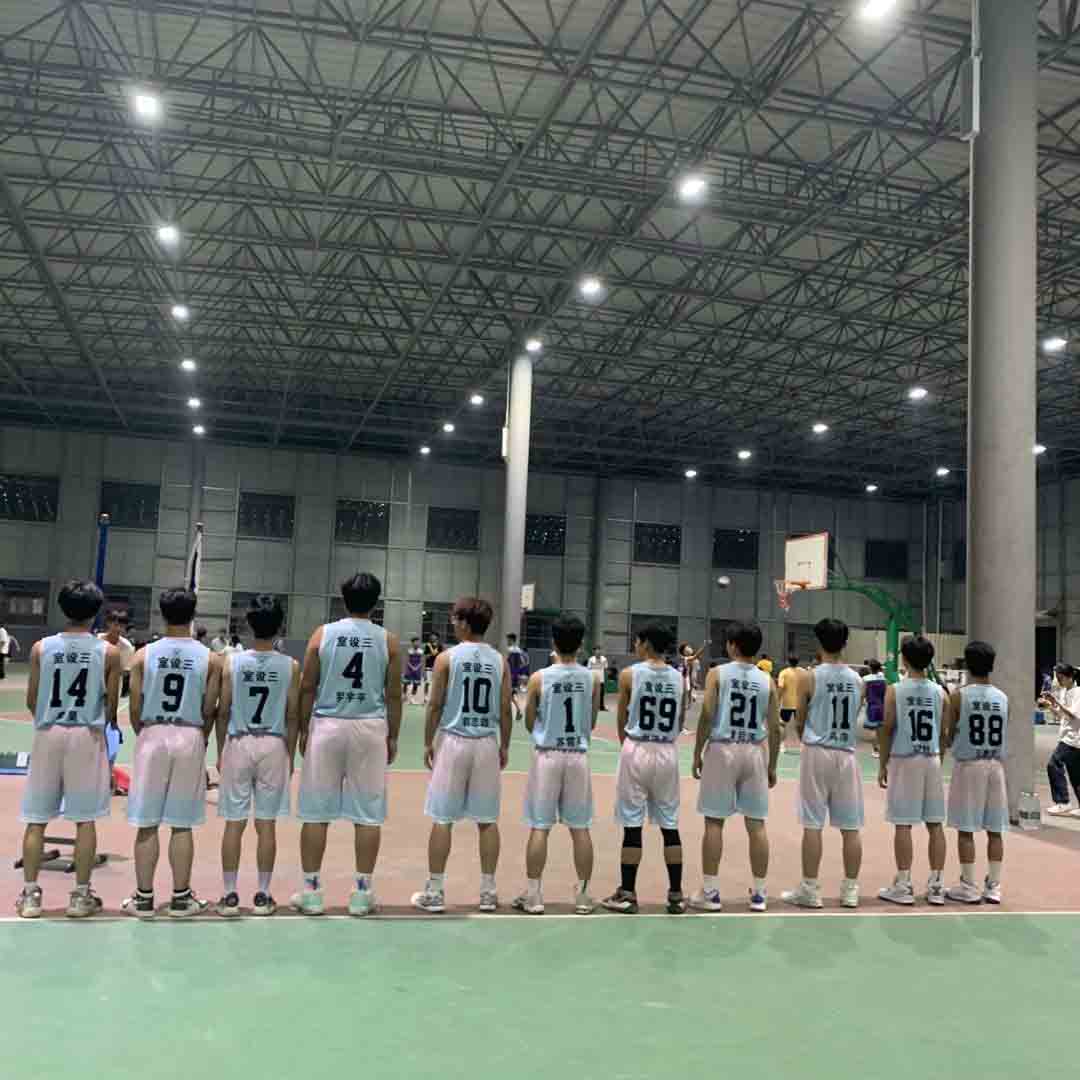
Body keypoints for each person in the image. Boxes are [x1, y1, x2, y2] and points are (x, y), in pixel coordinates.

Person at [293, 573, 401, 917]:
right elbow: (394, 693)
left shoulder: (322, 634)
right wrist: (393, 735)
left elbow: (307, 685)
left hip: (327, 725)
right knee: (367, 815)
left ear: (343, 599)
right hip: (369, 728)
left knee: (316, 813)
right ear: (376, 603)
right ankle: (362, 893)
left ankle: (311, 892)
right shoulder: (388, 641)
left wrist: (303, 729)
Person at [16, 580, 122, 918]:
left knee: (36, 820)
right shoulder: (109, 652)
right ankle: (80, 897)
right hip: (86, 735)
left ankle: (30, 896)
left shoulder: (41, 648)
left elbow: (32, 700)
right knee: (85, 820)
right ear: (96, 612)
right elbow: (110, 707)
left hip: (49, 733)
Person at [124, 587, 220, 919]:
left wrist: (147, 733)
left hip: (153, 733)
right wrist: (199, 737)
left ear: (162, 614)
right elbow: (209, 708)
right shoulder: (210, 659)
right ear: (193, 615)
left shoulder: (142, 656)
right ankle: (181, 899)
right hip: (189, 734)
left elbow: (134, 708)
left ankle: (143, 899)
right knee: (182, 824)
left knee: (147, 823)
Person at [412, 597, 511, 913]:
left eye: (455, 619)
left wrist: (428, 742)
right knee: (487, 821)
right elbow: (505, 708)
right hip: (485, 743)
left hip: (454, 742)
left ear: (466, 623)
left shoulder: (447, 658)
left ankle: (435, 891)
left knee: (442, 819)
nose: (453, 623)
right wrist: (505, 745)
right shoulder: (499, 661)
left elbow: (435, 704)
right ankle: (488, 892)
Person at [214, 595, 300, 917]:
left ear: (249, 625)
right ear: (280, 627)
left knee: (234, 823)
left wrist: (221, 750)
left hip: (239, 741)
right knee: (266, 824)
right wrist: (290, 754)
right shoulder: (290, 666)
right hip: (273, 744)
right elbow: (293, 715)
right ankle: (263, 894)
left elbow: (223, 711)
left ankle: (229, 894)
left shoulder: (232, 663)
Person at [691, 620, 781, 912]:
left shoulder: (717, 673)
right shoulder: (767, 680)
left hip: (723, 749)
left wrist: (697, 752)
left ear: (731, 645)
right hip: (754, 751)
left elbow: (707, 714)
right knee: (757, 824)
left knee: (714, 822)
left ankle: (710, 892)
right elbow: (776, 728)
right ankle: (760, 893)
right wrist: (772, 765)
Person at [512, 615, 599, 915]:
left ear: (553, 642)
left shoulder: (539, 678)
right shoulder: (592, 678)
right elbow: (592, 721)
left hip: (548, 756)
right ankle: (583, 896)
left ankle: (534, 896)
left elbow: (528, 722)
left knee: (540, 826)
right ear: (581, 643)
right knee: (580, 828)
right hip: (577, 757)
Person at [602, 622, 688, 915]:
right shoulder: (679, 678)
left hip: (637, 748)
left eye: (637, 641)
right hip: (667, 751)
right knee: (670, 824)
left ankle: (627, 893)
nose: (635, 646)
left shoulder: (630, 674)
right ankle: (676, 895)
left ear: (647, 644)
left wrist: (628, 747)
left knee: (632, 823)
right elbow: (679, 720)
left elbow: (622, 719)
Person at [782, 618, 864, 910]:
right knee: (851, 827)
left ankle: (810, 889)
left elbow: (800, 719)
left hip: (817, 751)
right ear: (845, 643)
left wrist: (808, 732)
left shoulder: (810, 677)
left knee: (813, 823)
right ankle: (851, 890)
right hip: (846, 754)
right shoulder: (858, 680)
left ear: (818, 643)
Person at [877, 635, 951, 906]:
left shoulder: (895, 690)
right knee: (935, 824)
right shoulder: (941, 693)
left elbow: (887, 728)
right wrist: (939, 757)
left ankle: (904, 884)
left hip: (905, 759)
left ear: (904, 659)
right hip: (931, 758)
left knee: (903, 823)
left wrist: (883, 763)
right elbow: (944, 733)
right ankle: (937, 885)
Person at [943, 640, 1008, 904]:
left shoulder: (959, 696)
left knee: (966, 828)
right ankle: (994, 887)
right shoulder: (1002, 697)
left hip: (969, 766)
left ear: (967, 664)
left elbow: (949, 735)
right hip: (995, 767)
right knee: (995, 829)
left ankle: (968, 887)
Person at [1039, 662, 1080, 816]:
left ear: (1069, 677)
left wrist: (1056, 702)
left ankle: (1063, 802)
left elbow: (1074, 715)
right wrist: (1050, 705)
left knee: (1053, 764)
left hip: (1073, 738)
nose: (1058, 680)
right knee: (1075, 774)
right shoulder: (1064, 692)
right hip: (1067, 736)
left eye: (1060, 677)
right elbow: (1062, 715)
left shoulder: (1078, 692)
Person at [99, 610, 135, 698]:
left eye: (122, 626)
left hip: (113, 688)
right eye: (115, 625)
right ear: (108, 623)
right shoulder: (97, 640)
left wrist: (112, 668)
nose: (118, 629)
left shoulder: (127, 647)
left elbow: (126, 671)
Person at [776, 655, 802, 753]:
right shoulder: (803, 672)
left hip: (786, 704)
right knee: (801, 725)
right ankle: (803, 746)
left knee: (783, 725)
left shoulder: (784, 672)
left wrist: (777, 701)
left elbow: (780, 687)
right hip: (800, 704)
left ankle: (782, 746)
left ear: (788, 662)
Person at [863, 659, 887, 757]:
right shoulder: (884, 679)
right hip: (882, 706)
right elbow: (886, 692)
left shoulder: (866, 679)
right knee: (880, 729)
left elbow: (863, 694)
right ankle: (882, 749)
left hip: (872, 706)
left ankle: (875, 750)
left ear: (870, 668)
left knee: (873, 729)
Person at [506, 633, 531, 722]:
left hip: (510, 675)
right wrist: (518, 670)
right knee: (510, 694)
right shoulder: (519, 650)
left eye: (508, 640)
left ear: (511, 640)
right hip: (515, 676)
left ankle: (518, 710)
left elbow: (505, 662)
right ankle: (517, 710)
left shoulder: (509, 650)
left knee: (508, 694)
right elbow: (525, 662)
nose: (507, 641)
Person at [403, 636, 424, 705]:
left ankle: (412, 699)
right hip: (409, 669)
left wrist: (417, 667)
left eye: (418, 642)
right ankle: (404, 697)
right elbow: (407, 660)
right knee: (406, 683)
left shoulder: (421, 651)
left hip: (417, 670)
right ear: (412, 643)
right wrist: (412, 667)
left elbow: (421, 661)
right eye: (415, 642)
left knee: (416, 684)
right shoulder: (409, 650)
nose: (417, 643)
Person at [587, 645, 608, 711]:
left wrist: (605, 679)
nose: (598, 651)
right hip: (593, 679)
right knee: (592, 693)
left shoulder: (604, 659)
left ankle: (601, 707)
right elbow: (588, 669)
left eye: (599, 650)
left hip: (601, 680)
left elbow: (605, 668)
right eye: (596, 650)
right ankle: (591, 706)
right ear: (594, 651)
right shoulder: (591, 659)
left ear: (600, 651)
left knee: (601, 694)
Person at [423, 633, 442, 703]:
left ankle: (434, 698)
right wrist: (431, 654)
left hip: (437, 667)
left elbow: (434, 653)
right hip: (428, 667)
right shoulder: (427, 646)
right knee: (427, 682)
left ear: (437, 637)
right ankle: (425, 697)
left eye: (434, 636)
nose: (432, 637)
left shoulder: (439, 646)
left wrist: (430, 647)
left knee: (436, 684)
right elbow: (426, 656)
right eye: (431, 636)